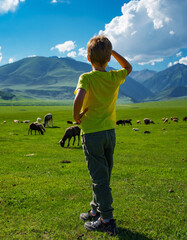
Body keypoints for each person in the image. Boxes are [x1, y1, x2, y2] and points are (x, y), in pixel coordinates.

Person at [73, 35, 132, 236]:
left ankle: (106, 220)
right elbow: (128, 67)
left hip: (92, 134)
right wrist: (112, 52)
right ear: (108, 59)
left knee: (99, 178)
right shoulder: (114, 76)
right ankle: (95, 210)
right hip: (109, 133)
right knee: (102, 174)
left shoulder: (87, 78)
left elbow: (79, 98)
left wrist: (76, 116)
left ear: (88, 58)